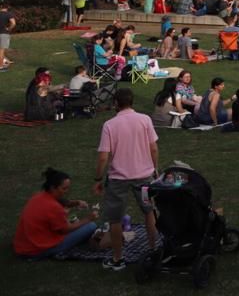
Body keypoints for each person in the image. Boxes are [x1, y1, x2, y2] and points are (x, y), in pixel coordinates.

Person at [94, 88, 159, 271]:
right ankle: (154, 249)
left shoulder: (109, 125)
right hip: (144, 175)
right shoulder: (145, 120)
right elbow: (154, 148)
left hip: (118, 178)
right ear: (132, 101)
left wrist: (98, 179)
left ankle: (117, 258)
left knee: (115, 219)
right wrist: (155, 169)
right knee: (149, 212)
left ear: (116, 103)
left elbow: (103, 157)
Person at [13, 167, 104, 259]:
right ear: (53, 188)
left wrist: (75, 202)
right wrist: (88, 219)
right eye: (64, 188)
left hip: (23, 246)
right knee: (91, 226)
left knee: (74, 222)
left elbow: (60, 201)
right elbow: (65, 230)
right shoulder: (54, 207)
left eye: (68, 188)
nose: (67, 191)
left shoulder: (38, 196)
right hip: (38, 250)